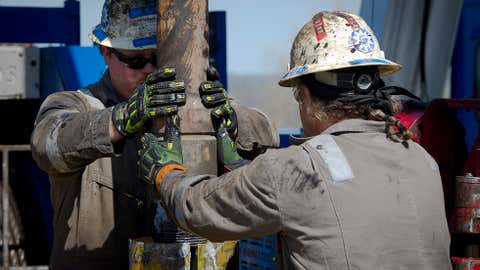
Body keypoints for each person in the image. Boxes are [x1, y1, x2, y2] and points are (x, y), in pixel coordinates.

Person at [138, 11, 452, 269]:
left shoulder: (295, 170)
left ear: (304, 95)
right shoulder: (421, 160)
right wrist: (243, 165)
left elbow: (197, 210)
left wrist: (166, 174)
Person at [30, 0, 279, 269]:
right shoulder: (76, 105)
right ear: (105, 52)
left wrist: (232, 121)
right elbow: (48, 144)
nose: (149, 70)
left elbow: (268, 135)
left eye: (157, 59)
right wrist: (122, 118)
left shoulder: (194, 108)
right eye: (136, 61)